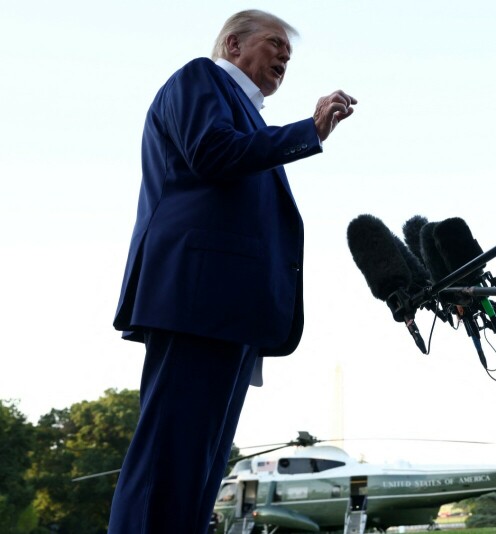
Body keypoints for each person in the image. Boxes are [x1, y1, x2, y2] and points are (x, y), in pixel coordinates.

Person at [108, 9, 357, 532]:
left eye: (289, 51)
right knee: (168, 457)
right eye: (274, 44)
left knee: (199, 467)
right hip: (196, 299)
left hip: (230, 310)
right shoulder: (200, 77)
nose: (285, 56)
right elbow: (213, 153)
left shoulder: (253, 120)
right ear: (233, 44)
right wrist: (307, 132)